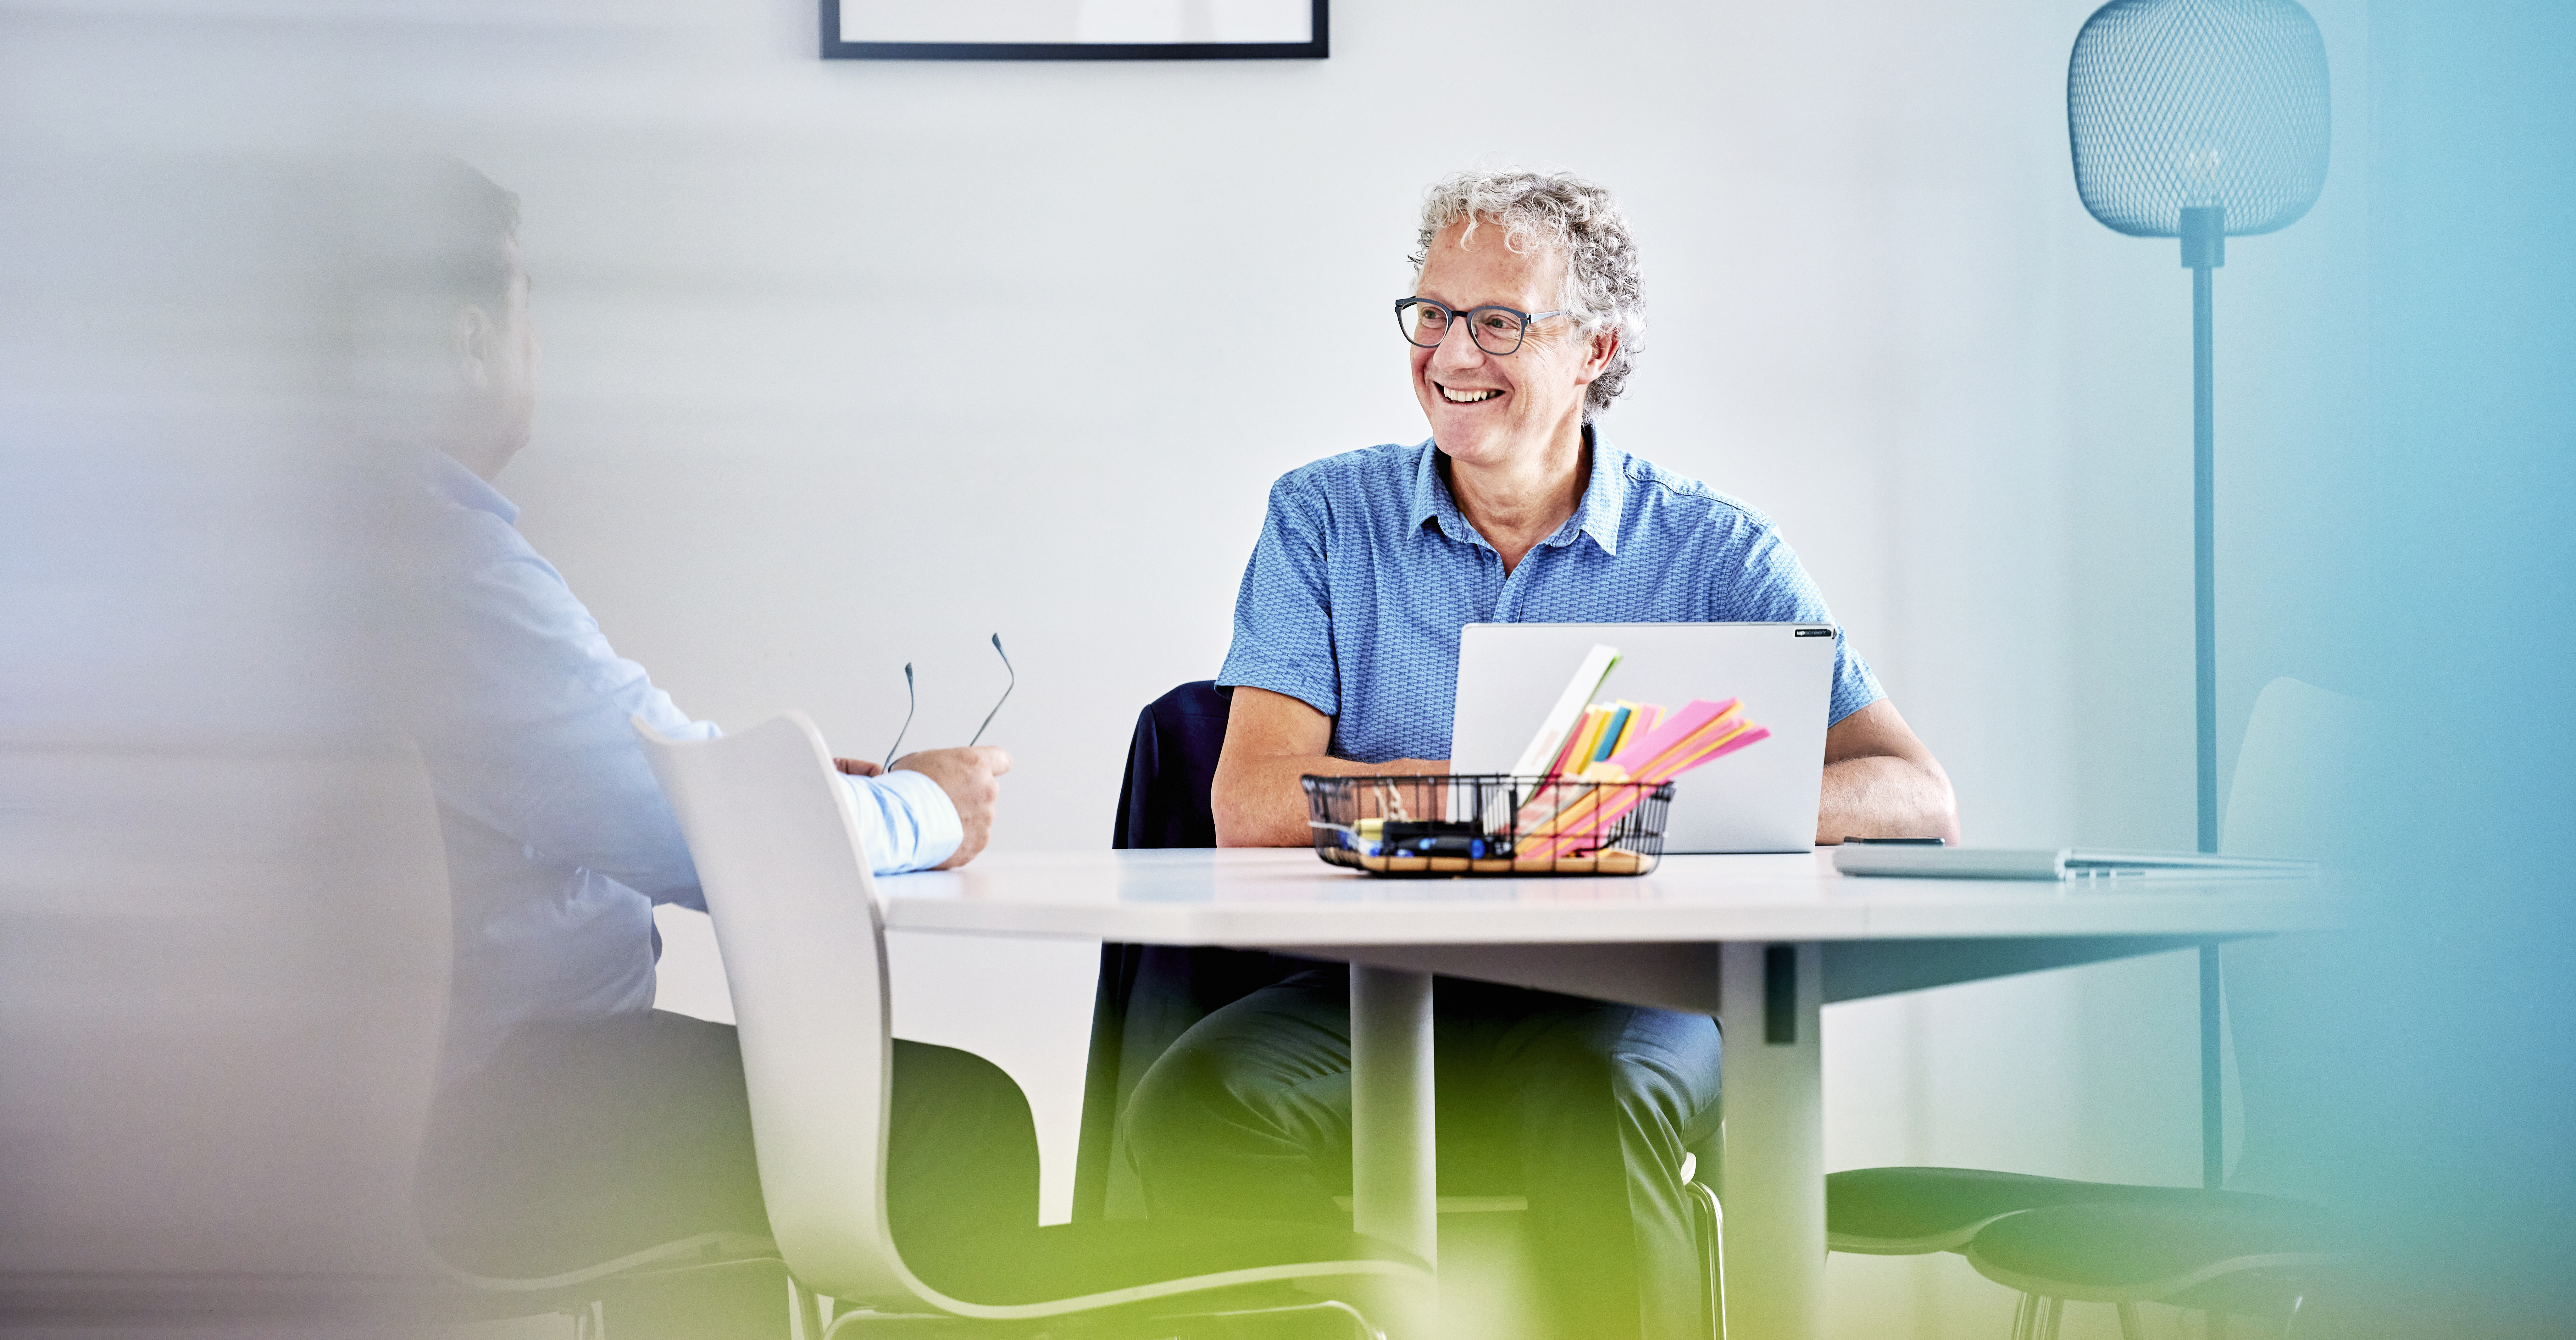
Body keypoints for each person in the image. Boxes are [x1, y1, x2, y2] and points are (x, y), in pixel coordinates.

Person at [1123, 169, 1958, 1340]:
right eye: (1433, 314)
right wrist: (1502, 809)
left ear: (1596, 350)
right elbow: (1255, 801)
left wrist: (1649, 803)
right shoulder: (1322, 518)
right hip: (1378, 988)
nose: (1452, 353)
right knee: (1199, 1105)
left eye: (1499, 322)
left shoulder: (1711, 551)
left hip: (1629, 998)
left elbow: (1916, 797)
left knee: (1594, 1096)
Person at [397, 164, 1032, 1303]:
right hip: (497, 1119)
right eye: (531, 309)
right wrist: (935, 807)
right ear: (472, 338)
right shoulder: (441, 566)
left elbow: (597, 780)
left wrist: (771, 785)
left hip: (407, 1104)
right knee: (965, 1118)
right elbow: (709, 844)